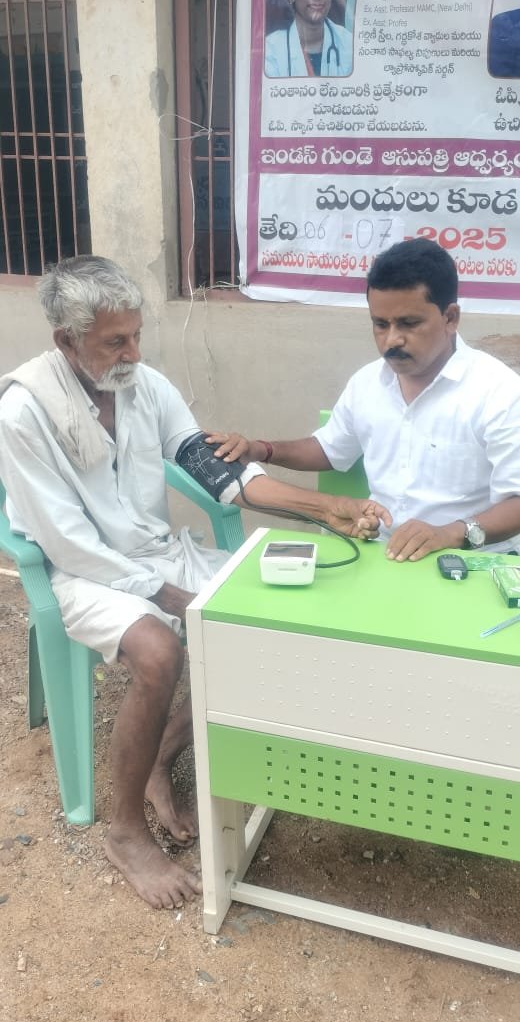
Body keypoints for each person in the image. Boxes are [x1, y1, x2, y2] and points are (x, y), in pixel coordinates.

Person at [0, 255, 388, 910]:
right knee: (159, 651)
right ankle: (125, 832)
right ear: (66, 340)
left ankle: (161, 755)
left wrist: (326, 508)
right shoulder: (23, 413)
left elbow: (215, 471)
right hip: (84, 572)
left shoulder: (144, 386)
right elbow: (66, 541)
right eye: (115, 341)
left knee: (270, 606)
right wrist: (171, 598)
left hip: (159, 554)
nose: (134, 352)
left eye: (137, 334)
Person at [208, 238, 520, 562]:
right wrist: (261, 449)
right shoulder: (368, 383)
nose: (392, 340)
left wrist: (451, 533)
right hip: (381, 555)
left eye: (409, 324)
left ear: (450, 318)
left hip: (472, 561)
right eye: (380, 324)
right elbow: (328, 449)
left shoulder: (498, 392)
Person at [488, 5, 520, 78]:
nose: (509, 21)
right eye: (505, 19)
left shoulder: (514, 30)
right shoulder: (500, 42)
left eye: (508, 19)